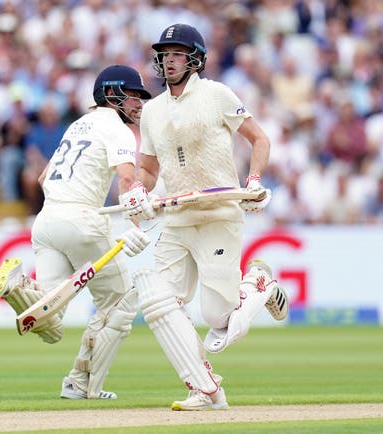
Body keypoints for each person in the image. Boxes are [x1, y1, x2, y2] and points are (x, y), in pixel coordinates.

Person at [119, 24, 289, 411]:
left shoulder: (216, 95)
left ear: (195, 58)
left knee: (218, 322)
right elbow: (147, 169)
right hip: (177, 218)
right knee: (160, 303)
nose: (170, 60)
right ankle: (203, 386)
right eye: (165, 54)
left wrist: (255, 179)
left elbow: (259, 138)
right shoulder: (153, 111)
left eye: (178, 53)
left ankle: (258, 281)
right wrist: (138, 193)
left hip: (217, 214)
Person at [0, 65, 153, 400]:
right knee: (120, 302)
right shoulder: (117, 129)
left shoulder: (76, 125)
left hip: (46, 222)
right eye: (132, 95)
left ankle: (18, 287)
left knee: (49, 323)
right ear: (111, 94)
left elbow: (43, 178)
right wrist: (133, 225)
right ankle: (86, 385)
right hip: (82, 221)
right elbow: (126, 181)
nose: (138, 103)